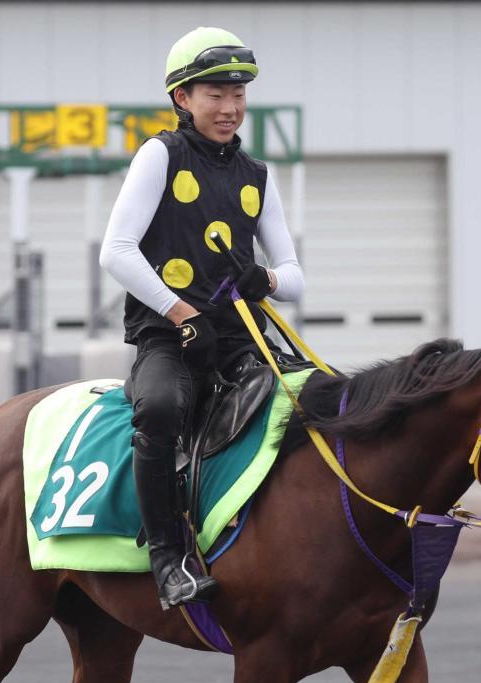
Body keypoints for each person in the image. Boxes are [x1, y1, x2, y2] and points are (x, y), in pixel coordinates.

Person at [99, 26, 304, 609]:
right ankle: (167, 556)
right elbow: (116, 251)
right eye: (215, 94)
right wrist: (183, 311)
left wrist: (263, 279)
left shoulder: (258, 175)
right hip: (169, 337)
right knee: (160, 409)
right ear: (182, 99)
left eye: (238, 94)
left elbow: (293, 275)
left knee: (315, 401)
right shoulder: (160, 155)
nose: (231, 108)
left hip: (241, 341)